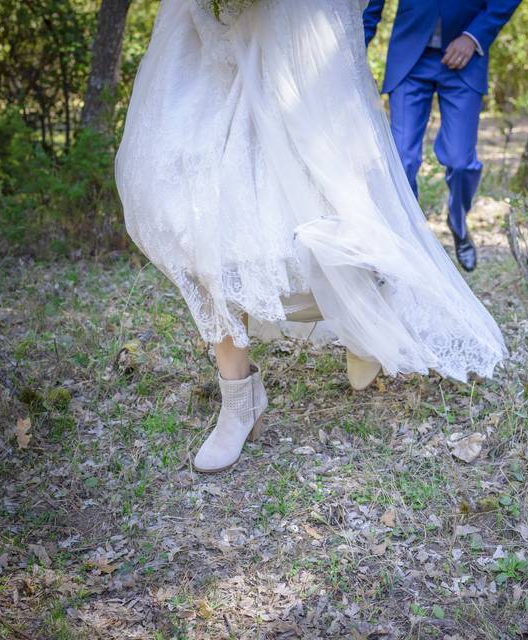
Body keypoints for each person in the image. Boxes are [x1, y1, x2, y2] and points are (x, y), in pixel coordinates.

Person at [115, 0, 507, 474]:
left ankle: (365, 304)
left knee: (320, 218)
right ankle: (238, 401)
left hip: (291, 48)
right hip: (203, 49)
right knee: (201, 227)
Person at [364, 0, 521, 272]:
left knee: (461, 162)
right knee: (401, 161)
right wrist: (354, 50)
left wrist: (473, 37)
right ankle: (405, 240)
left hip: (466, 58)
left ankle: (458, 222)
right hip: (409, 56)